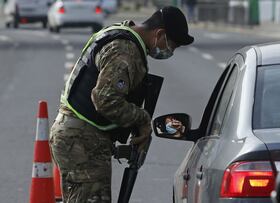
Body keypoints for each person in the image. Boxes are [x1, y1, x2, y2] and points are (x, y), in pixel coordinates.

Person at [49, 6, 194, 203]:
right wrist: (141, 118)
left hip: (79, 137)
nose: (170, 51)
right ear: (159, 34)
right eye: (172, 45)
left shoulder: (121, 32)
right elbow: (105, 99)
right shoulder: (125, 50)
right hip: (81, 142)